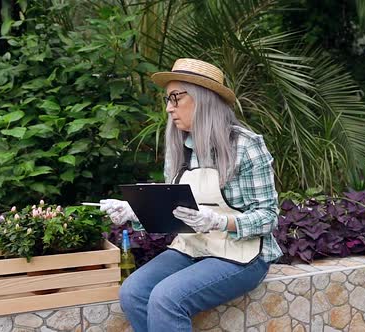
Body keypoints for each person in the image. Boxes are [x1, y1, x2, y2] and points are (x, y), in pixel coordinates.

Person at [100, 58, 282, 332]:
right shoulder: (179, 148)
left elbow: (268, 218)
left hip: (242, 254)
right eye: (167, 99)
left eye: (175, 98)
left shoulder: (245, 146)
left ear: (203, 99)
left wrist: (220, 222)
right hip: (193, 247)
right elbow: (173, 214)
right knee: (133, 291)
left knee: (166, 298)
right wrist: (135, 213)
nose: (168, 107)